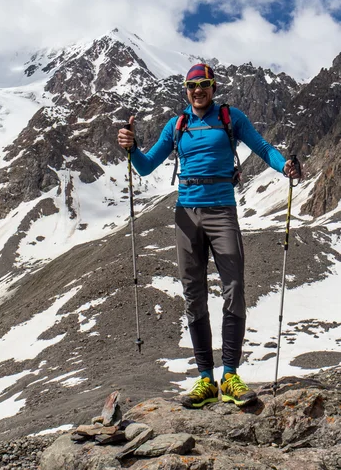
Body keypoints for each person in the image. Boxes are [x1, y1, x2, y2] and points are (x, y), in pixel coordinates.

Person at [117, 63, 301, 409]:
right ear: (185, 91)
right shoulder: (177, 125)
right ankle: (205, 379)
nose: (197, 90)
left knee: (234, 287)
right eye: (191, 86)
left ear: (213, 87)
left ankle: (229, 374)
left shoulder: (231, 118)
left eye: (203, 84)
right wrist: (130, 146)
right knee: (193, 293)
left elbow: (263, 148)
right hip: (186, 213)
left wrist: (284, 167)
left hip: (222, 212)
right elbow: (144, 166)